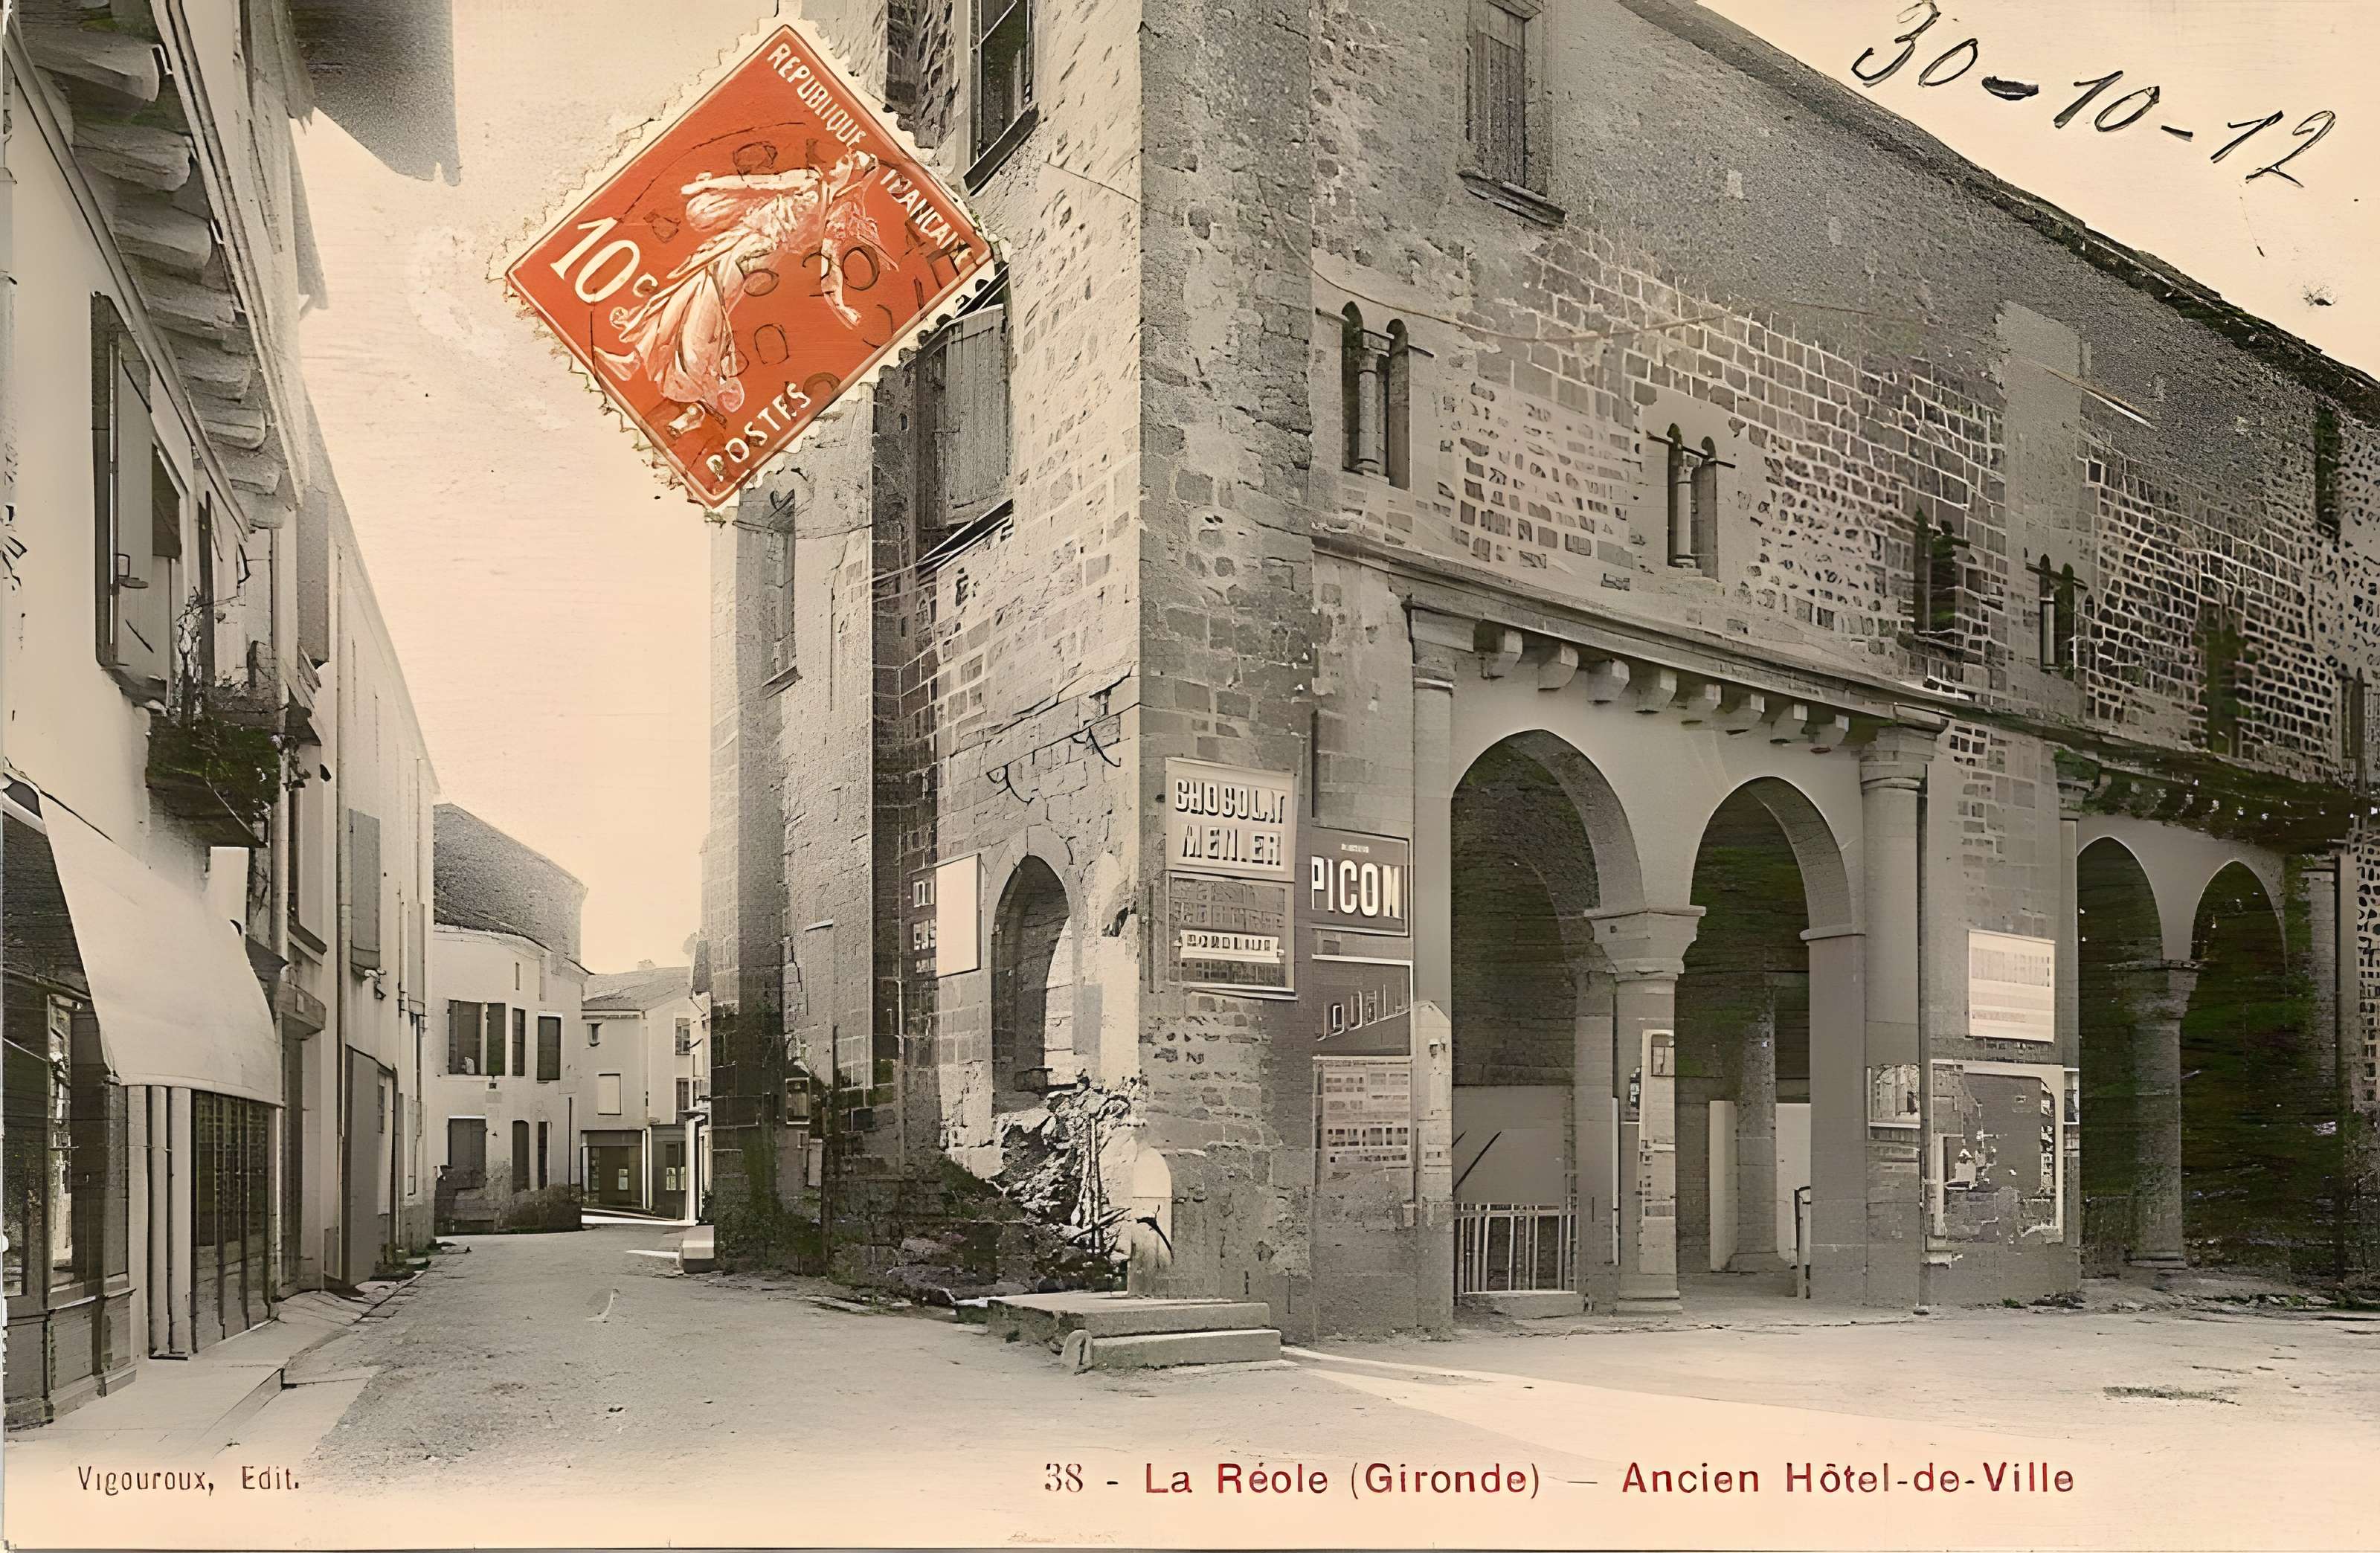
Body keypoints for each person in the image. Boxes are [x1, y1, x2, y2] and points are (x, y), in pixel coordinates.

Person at [597, 148, 885, 437]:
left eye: (849, 162)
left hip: (757, 254)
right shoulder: (810, 179)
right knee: (689, 287)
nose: (840, 161)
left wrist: (840, 303)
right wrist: (705, 186)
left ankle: (703, 388)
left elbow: (831, 263)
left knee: (706, 304)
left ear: (855, 177)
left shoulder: (837, 214)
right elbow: (757, 184)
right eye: (844, 156)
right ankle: (635, 360)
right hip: (740, 236)